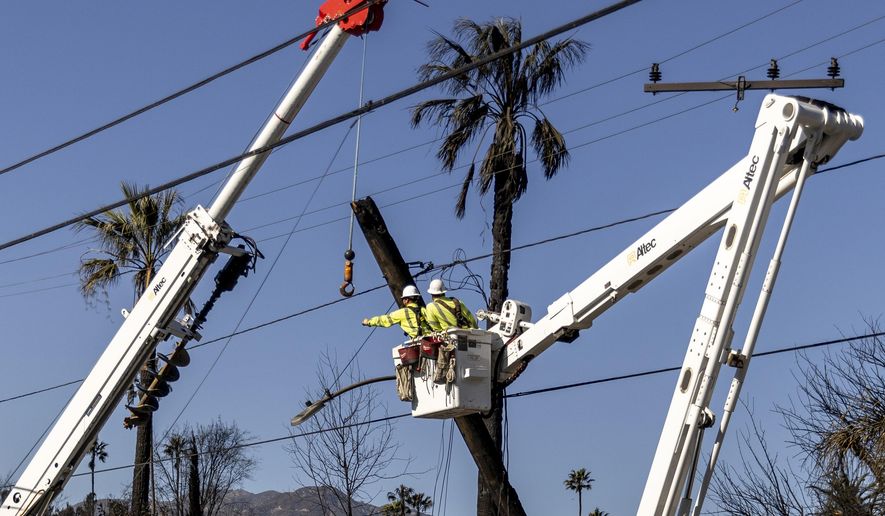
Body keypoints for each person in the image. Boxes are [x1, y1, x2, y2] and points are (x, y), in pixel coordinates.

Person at [362, 285, 431, 338]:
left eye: (403, 299)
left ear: (406, 300)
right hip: (432, 339)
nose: (403, 300)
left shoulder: (402, 313)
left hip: (420, 342)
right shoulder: (423, 309)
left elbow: (385, 320)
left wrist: (369, 322)